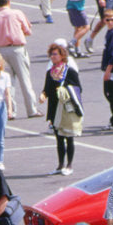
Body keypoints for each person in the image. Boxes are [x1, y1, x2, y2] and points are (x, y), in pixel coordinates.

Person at [0, 0, 40, 118]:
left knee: (8, 82)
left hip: (2, 50)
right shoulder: (17, 13)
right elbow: (28, 30)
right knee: (25, 80)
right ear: (9, 2)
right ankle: (31, 109)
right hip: (17, 48)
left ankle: (11, 111)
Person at [40, 42, 83, 176]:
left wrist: (65, 91)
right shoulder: (50, 72)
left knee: (69, 137)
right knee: (58, 138)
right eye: (51, 54)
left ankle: (69, 165)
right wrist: (42, 95)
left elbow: (78, 88)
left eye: (55, 54)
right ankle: (60, 165)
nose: (52, 57)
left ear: (62, 55)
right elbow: (46, 89)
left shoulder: (69, 71)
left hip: (66, 108)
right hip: (54, 108)